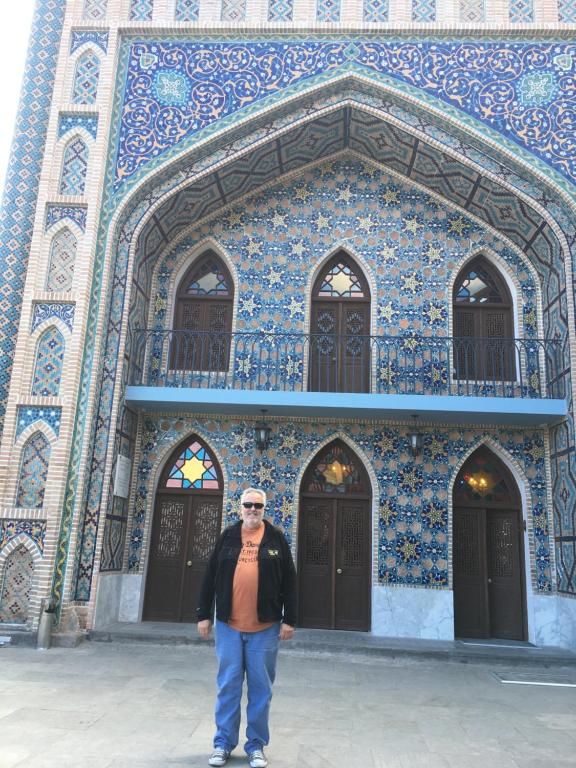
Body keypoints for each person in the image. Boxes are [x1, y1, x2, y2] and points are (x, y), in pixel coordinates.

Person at [197, 487, 297, 768]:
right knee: (228, 685)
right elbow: (209, 576)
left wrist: (290, 619)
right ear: (239, 507)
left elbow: (290, 580)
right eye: (248, 505)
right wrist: (203, 614)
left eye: (258, 506)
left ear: (265, 509)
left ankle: (256, 746)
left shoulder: (276, 537)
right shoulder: (228, 536)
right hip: (229, 625)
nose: (253, 510)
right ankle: (222, 744)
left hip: (264, 627)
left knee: (260, 689)